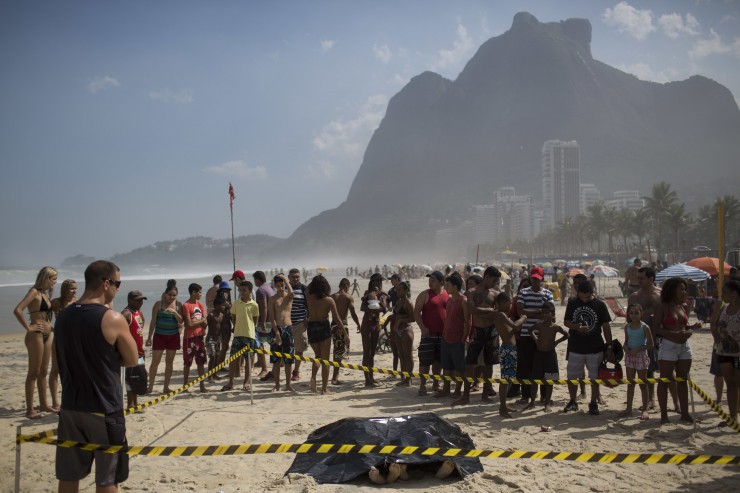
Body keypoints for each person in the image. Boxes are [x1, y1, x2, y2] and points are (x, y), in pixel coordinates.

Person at [54, 260, 138, 492]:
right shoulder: (111, 319)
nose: (118, 288)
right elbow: (132, 359)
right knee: (107, 478)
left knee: (69, 476)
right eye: (117, 283)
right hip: (103, 407)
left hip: (71, 406)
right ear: (105, 283)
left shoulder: (63, 317)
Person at [13, 266, 58, 418]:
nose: (55, 282)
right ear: (46, 278)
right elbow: (18, 310)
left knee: (44, 372)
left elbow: (46, 315)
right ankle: (30, 410)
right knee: (34, 372)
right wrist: (28, 327)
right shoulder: (34, 292)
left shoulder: (46, 294)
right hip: (36, 335)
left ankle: (44, 405)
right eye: (53, 279)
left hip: (47, 334)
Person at [562, 281, 613, 415]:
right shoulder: (573, 302)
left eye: (587, 297)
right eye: (582, 297)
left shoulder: (600, 305)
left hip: (595, 346)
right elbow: (566, 322)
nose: (584, 300)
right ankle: (572, 401)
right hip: (575, 346)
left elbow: (606, 326)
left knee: (594, 377)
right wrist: (576, 327)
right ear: (578, 293)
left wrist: (609, 345)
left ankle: (593, 402)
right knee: (572, 376)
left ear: (592, 293)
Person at [654, 277, 698, 424]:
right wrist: (673, 334)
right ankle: (664, 415)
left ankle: (684, 413)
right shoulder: (663, 306)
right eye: (681, 289)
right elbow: (655, 328)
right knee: (665, 380)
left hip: (684, 345)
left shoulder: (683, 306)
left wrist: (691, 328)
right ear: (672, 290)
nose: (684, 292)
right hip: (668, 344)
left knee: (683, 379)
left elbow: (682, 326)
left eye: (685, 289)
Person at [453, 267, 500, 406]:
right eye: (494, 279)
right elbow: (472, 310)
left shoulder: (495, 293)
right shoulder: (472, 292)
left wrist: (484, 311)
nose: (495, 282)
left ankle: (485, 394)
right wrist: (489, 310)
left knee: (489, 364)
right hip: (478, 330)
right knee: (470, 363)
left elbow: (498, 312)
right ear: (486, 277)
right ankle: (465, 395)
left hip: (492, 331)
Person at [627, 266, 667, 411]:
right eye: (638, 278)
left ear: (651, 279)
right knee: (647, 368)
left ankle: (673, 402)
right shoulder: (635, 296)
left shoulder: (661, 294)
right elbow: (629, 319)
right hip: (641, 336)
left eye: (641, 278)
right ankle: (651, 399)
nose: (638, 281)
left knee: (666, 368)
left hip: (660, 334)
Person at [516, 266, 553, 406]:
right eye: (533, 279)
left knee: (544, 366)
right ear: (530, 278)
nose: (535, 282)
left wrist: (530, 312)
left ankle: (544, 396)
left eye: (537, 279)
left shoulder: (548, 293)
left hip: (544, 335)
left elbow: (550, 313)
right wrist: (539, 311)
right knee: (526, 366)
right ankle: (525, 395)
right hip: (526, 334)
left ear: (542, 279)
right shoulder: (523, 292)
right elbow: (520, 311)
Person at [306, 275, 345, 395]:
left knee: (317, 355)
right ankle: (324, 389)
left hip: (311, 327)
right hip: (323, 327)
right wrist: (345, 333)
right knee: (325, 360)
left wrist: (314, 282)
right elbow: (337, 318)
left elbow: (307, 288)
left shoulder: (308, 297)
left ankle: (313, 377)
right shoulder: (329, 300)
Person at [492, 292, 527, 417]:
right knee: (506, 380)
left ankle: (504, 405)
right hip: (507, 349)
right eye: (510, 302)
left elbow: (510, 330)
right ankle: (502, 407)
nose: (511, 305)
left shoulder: (502, 315)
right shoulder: (500, 314)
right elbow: (515, 327)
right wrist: (523, 318)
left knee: (510, 379)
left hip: (510, 349)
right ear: (504, 302)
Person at [414, 271, 449, 396]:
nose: (430, 282)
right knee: (425, 361)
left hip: (443, 335)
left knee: (438, 361)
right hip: (428, 334)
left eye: (433, 280)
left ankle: (435, 383)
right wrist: (423, 328)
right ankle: (423, 385)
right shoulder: (425, 294)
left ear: (441, 282)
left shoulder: (447, 294)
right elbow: (416, 312)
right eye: (429, 280)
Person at [529, 302, 568, 412]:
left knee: (550, 380)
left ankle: (547, 403)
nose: (544, 315)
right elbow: (530, 330)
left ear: (552, 314)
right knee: (535, 379)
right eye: (543, 313)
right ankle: (532, 402)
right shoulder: (539, 325)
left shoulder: (555, 327)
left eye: (547, 313)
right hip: (539, 354)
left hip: (550, 355)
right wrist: (536, 339)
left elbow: (567, 335)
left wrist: (556, 342)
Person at [146, 280, 183, 394]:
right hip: (159, 336)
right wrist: (149, 338)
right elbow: (153, 322)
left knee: (169, 362)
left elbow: (181, 321)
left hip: (173, 336)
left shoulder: (178, 305)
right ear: (165, 294)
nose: (171, 297)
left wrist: (174, 312)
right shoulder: (159, 304)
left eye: (174, 295)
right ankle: (150, 386)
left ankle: (166, 387)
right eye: (170, 295)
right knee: (155, 361)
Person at [711, 278, 740, 425]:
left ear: (734, 293)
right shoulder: (724, 307)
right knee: (730, 385)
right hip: (724, 351)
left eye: (725, 293)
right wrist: (716, 336)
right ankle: (733, 416)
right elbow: (714, 324)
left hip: (738, 352)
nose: (723, 295)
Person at [618, 303, 654, 420]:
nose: (634, 315)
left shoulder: (644, 327)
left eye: (636, 313)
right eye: (631, 313)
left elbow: (650, 344)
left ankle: (645, 409)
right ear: (628, 314)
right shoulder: (627, 327)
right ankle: (629, 408)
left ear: (641, 313)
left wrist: (638, 349)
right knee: (630, 383)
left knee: (643, 384)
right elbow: (626, 341)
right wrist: (625, 348)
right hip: (630, 356)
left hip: (640, 356)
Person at [222, 281, 259, 391]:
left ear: (250, 291)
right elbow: (234, 317)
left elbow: (255, 320)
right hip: (238, 335)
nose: (242, 292)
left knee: (248, 360)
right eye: (240, 290)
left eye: (244, 290)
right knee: (233, 359)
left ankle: (246, 382)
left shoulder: (254, 304)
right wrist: (237, 326)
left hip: (249, 335)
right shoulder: (236, 303)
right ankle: (231, 381)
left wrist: (249, 328)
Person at [437, 274, 470, 399]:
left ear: (455, 287)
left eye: (448, 285)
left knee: (459, 367)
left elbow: (468, 322)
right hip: (446, 338)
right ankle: (446, 389)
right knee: (446, 366)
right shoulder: (450, 300)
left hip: (458, 339)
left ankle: (457, 390)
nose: (446, 287)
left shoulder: (463, 301)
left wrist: (464, 339)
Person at [50, 279, 78, 412]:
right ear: (65, 289)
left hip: (73, 340)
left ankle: (71, 400)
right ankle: (55, 402)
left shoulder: (77, 303)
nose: (75, 291)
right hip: (59, 339)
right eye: (72, 288)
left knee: (72, 370)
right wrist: (49, 328)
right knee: (55, 370)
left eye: (75, 288)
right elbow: (42, 315)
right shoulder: (56, 303)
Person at [360, 274, 389, 387]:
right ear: (372, 282)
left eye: (380, 281)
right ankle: (367, 379)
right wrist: (373, 306)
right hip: (367, 324)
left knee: (372, 353)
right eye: (376, 281)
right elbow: (362, 308)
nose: (378, 283)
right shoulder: (367, 293)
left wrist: (380, 299)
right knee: (366, 352)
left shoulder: (382, 294)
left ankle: (371, 377)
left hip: (375, 325)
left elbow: (385, 309)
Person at [268, 274, 295, 392]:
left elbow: (292, 293)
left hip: (288, 328)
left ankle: (288, 385)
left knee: (289, 359)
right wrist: (277, 333)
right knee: (276, 359)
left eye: (282, 285)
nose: (281, 288)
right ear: (275, 286)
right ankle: (277, 384)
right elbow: (272, 317)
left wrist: (285, 280)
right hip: (277, 329)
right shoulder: (273, 299)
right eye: (278, 286)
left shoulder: (288, 296)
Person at [330, 278, 360, 384]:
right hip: (343, 325)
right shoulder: (348, 297)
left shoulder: (332, 297)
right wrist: (358, 324)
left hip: (333, 325)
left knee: (337, 349)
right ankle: (335, 378)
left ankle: (335, 375)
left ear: (339, 286)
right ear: (347, 286)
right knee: (339, 351)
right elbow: (353, 313)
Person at [122, 290, 147, 408]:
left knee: (138, 376)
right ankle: (130, 403)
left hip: (140, 351)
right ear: (130, 300)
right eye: (138, 300)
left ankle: (135, 402)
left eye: (142, 300)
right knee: (130, 377)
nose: (141, 302)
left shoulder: (139, 313)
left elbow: (140, 327)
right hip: (130, 352)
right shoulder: (126, 313)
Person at [181, 283, 208, 393]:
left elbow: (205, 323)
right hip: (189, 338)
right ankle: (185, 385)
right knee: (187, 362)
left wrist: (198, 322)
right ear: (193, 292)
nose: (201, 294)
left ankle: (202, 385)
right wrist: (201, 321)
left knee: (200, 362)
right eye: (199, 292)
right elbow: (189, 324)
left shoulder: (200, 305)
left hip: (200, 336)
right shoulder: (186, 305)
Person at [252, 270, 276, 381]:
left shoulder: (260, 290)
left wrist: (261, 322)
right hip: (272, 320)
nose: (254, 282)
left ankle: (264, 368)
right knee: (272, 344)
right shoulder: (270, 288)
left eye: (255, 279)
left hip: (264, 321)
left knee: (259, 344)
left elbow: (264, 307)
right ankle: (274, 369)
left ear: (257, 279)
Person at [392, 281, 415, 387]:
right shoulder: (398, 302)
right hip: (398, 331)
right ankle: (404, 377)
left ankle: (409, 379)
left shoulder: (408, 302)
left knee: (408, 355)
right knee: (401, 355)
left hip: (406, 330)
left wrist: (401, 320)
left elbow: (413, 318)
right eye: (397, 289)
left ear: (406, 291)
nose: (398, 291)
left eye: (401, 290)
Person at [288, 269, 309, 382]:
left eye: (297, 277)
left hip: (300, 322)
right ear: (289, 278)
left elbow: (309, 304)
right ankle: (287, 371)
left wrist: (308, 318)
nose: (295, 279)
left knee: (299, 348)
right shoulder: (285, 288)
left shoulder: (304, 289)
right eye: (293, 277)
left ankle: (296, 371)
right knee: (286, 349)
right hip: (286, 324)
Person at [206, 296, 226, 381]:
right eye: (222, 305)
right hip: (211, 338)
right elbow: (205, 326)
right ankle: (209, 375)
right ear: (217, 305)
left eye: (224, 305)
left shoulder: (222, 315)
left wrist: (223, 338)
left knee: (217, 357)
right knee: (212, 357)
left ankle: (214, 374)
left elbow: (221, 328)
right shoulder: (211, 315)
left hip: (218, 339)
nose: (223, 307)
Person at [215, 281, 233, 371]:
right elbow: (221, 312)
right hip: (220, 325)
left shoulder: (228, 301)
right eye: (224, 290)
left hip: (227, 325)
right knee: (221, 346)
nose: (226, 292)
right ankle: (218, 365)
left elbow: (231, 314)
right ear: (220, 291)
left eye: (227, 290)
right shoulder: (218, 301)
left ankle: (220, 365)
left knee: (225, 346)